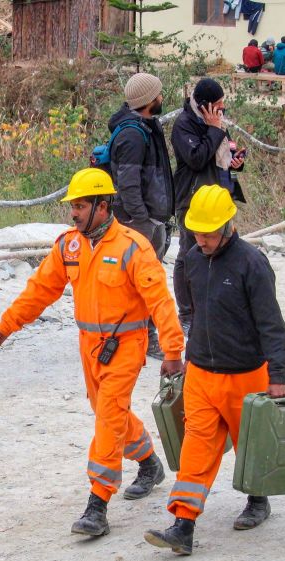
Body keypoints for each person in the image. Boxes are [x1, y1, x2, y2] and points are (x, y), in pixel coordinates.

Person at [0, 168, 184, 537]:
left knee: (107, 415)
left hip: (126, 345)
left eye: (80, 206)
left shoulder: (133, 248)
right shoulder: (68, 246)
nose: (72, 213)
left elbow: (160, 302)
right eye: (72, 206)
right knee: (109, 411)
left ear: (103, 207)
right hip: (90, 346)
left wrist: (172, 350)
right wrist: (5, 327)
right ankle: (149, 462)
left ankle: (98, 503)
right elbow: (39, 291)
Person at [144, 185, 285, 556]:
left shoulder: (251, 264)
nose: (202, 240)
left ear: (228, 226)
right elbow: (190, 312)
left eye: (209, 233)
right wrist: (182, 354)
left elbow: (271, 324)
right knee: (196, 449)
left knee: (251, 446)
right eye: (197, 232)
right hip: (202, 376)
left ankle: (258, 501)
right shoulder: (192, 259)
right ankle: (183, 524)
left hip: (247, 376)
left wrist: (277, 378)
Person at [107, 72, 175, 360]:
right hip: (140, 222)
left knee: (145, 280)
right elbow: (128, 184)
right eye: (158, 94)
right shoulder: (133, 135)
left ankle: (140, 335)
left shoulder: (146, 126)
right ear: (149, 100)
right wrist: (142, 222)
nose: (162, 98)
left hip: (151, 218)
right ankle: (144, 337)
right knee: (144, 281)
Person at [170, 77, 246, 333]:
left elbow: (228, 149)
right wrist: (214, 130)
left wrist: (237, 160)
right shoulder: (184, 125)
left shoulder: (217, 121)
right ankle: (188, 313)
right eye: (219, 106)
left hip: (219, 195)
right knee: (190, 254)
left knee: (223, 250)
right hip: (192, 198)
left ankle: (215, 307)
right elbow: (197, 158)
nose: (222, 111)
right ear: (205, 106)